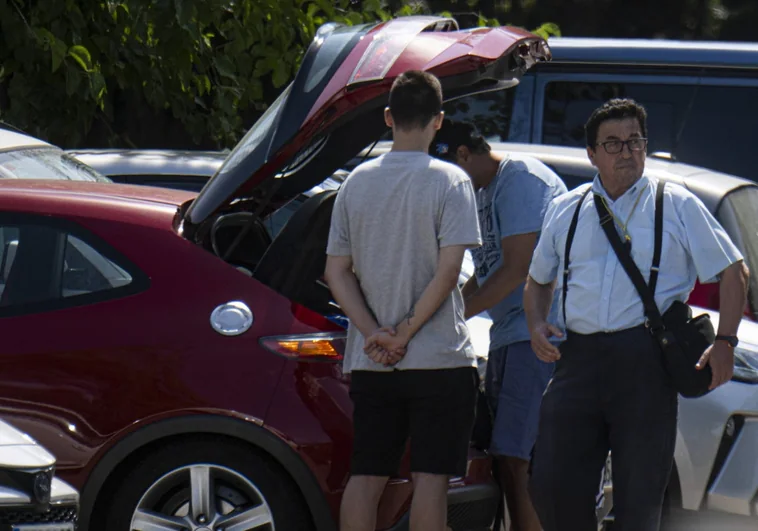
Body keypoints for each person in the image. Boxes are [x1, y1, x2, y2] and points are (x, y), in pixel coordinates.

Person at [525, 98, 749, 531]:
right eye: (613, 144)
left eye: (635, 141)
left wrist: (725, 342)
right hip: (579, 360)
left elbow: (733, 270)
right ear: (591, 154)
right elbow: (537, 280)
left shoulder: (676, 203)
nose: (626, 151)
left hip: (646, 361)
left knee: (640, 497)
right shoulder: (566, 209)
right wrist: (536, 323)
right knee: (549, 483)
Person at [324, 70, 482, 531]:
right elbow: (449, 271)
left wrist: (376, 334)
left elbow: (336, 271)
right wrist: (407, 334)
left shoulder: (355, 182)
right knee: (430, 481)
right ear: (439, 120)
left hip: (374, 362)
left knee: (366, 477)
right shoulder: (451, 181)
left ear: (389, 117)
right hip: (440, 359)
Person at [430, 119, 568, 531]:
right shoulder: (487, 190)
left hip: (537, 334)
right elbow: (488, 269)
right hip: (510, 335)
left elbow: (516, 271)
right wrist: (441, 308)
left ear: (462, 155)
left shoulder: (520, 180)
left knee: (518, 459)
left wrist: (452, 316)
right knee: (505, 459)